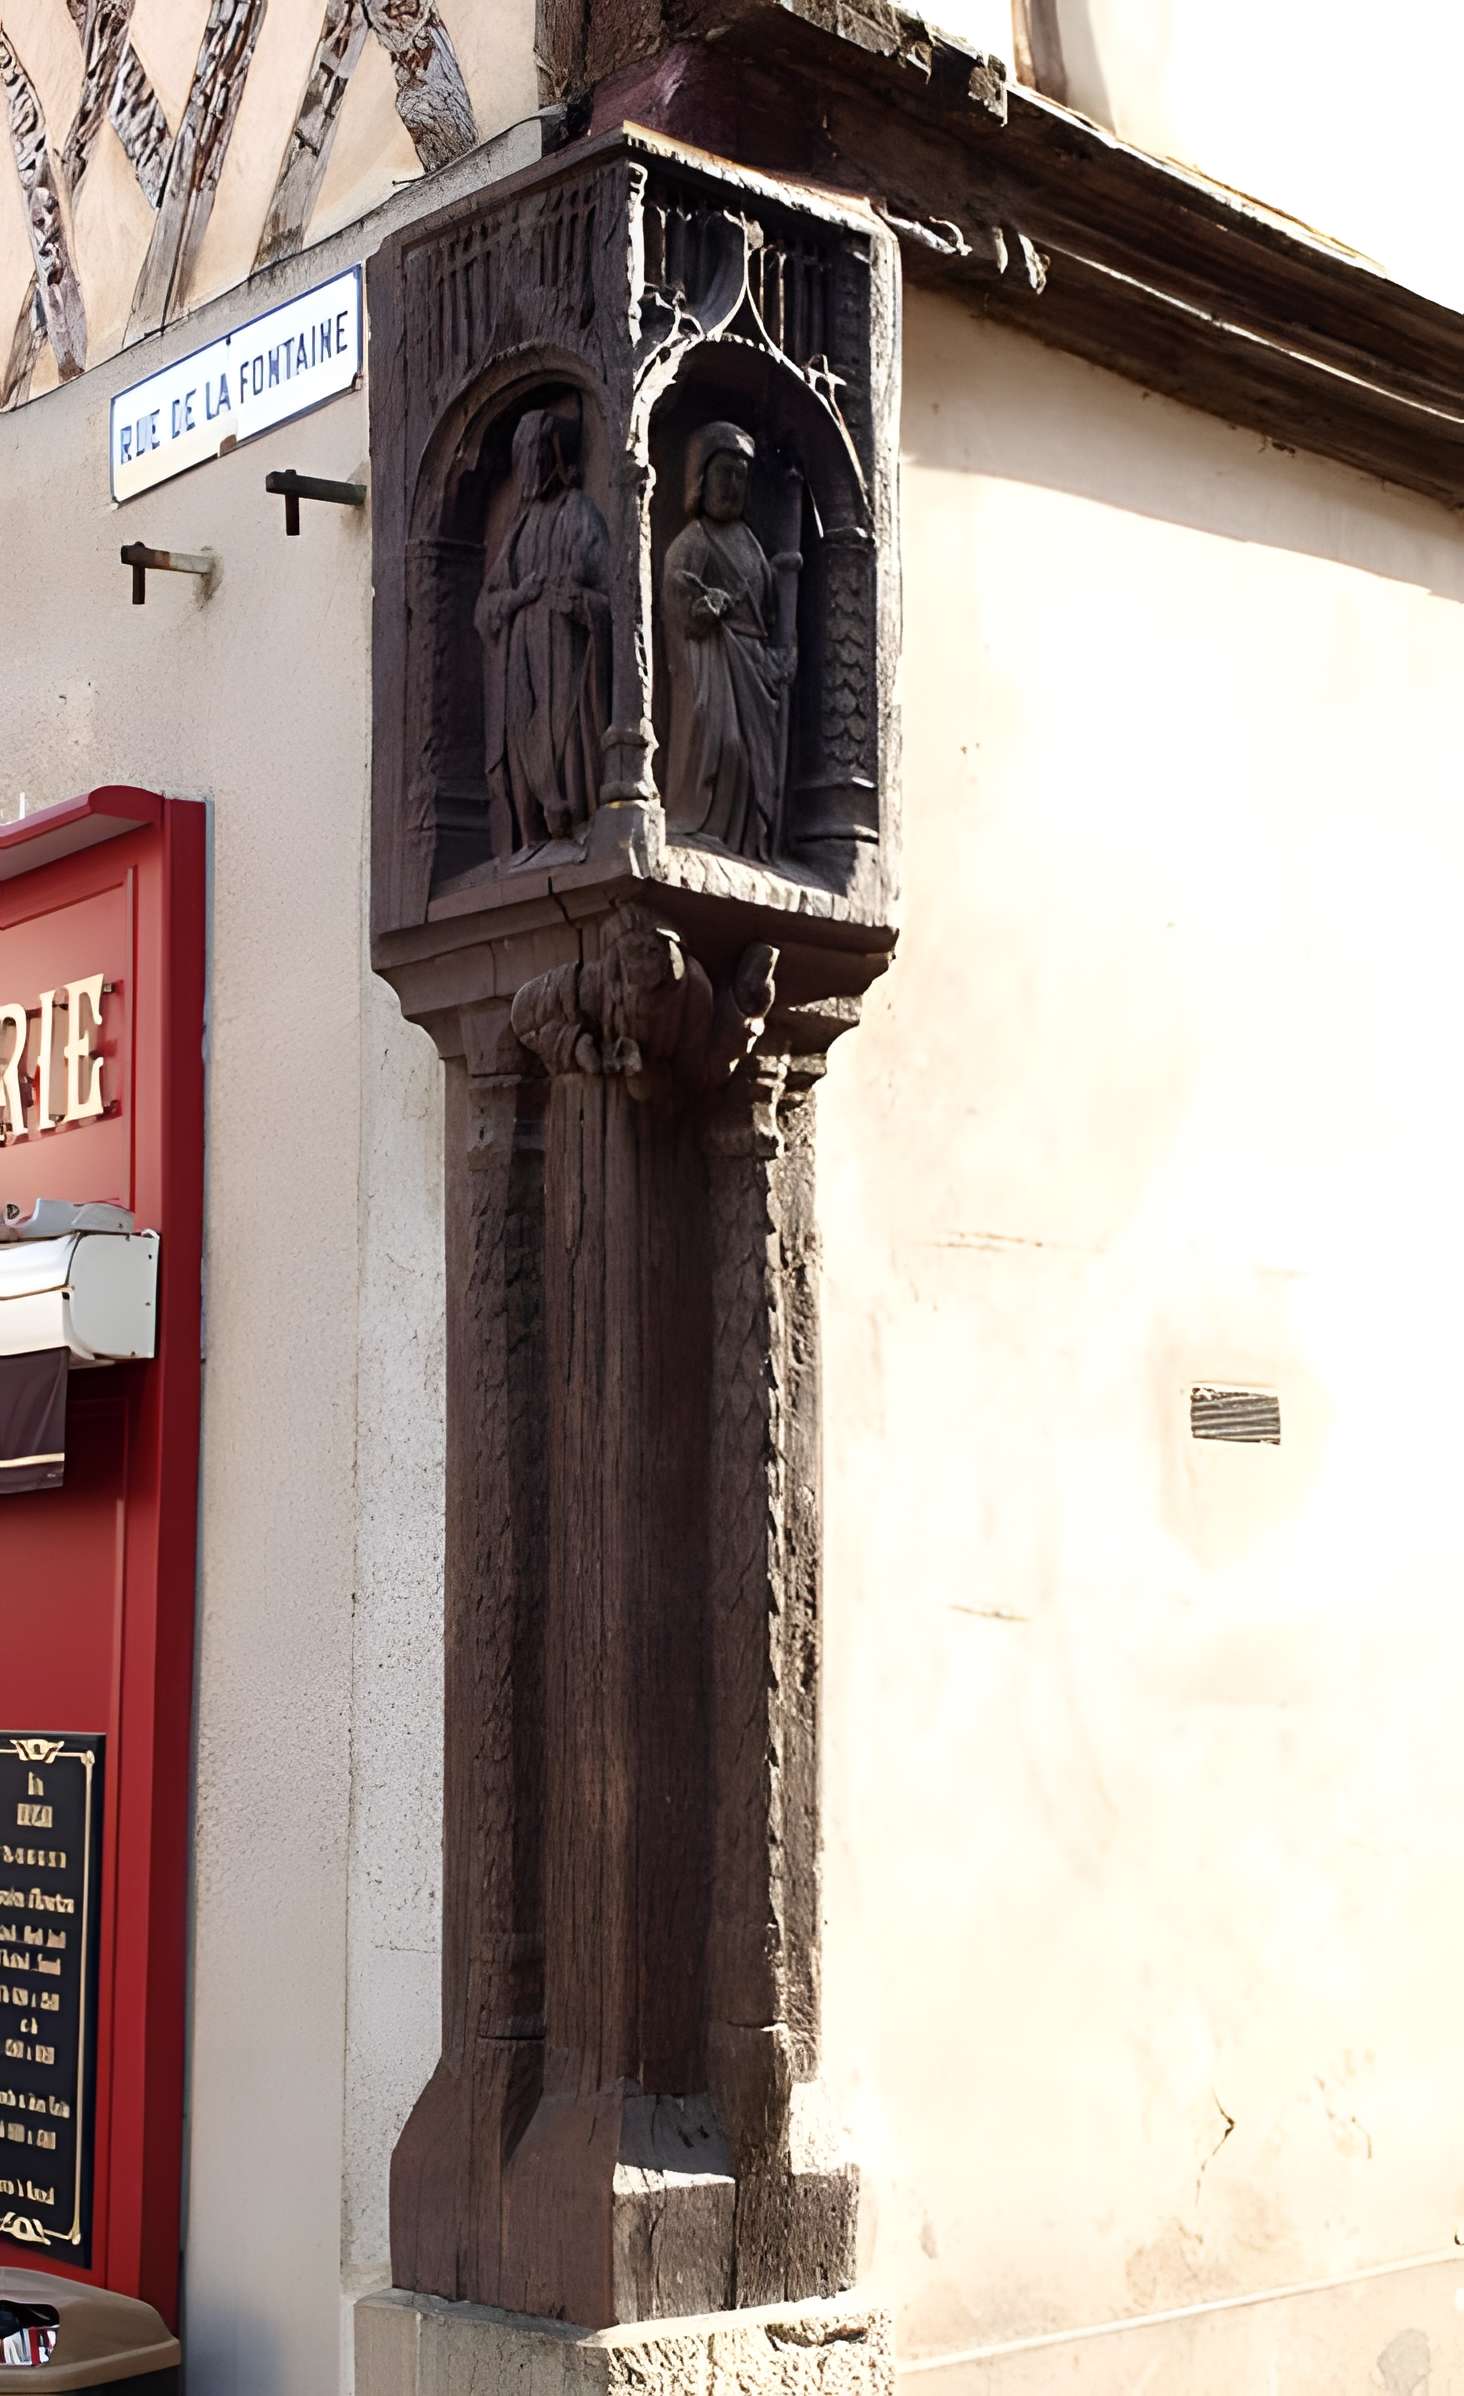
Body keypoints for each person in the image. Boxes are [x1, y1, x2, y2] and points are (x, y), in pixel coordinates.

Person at [477, 407, 611, 852]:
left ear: (553, 453)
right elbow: (486, 607)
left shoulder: (579, 514)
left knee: (567, 735)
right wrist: (517, 599)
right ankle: (531, 834)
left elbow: (611, 595)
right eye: (520, 455)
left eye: (533, 453)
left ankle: (576, 821)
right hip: (523, 659)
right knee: (524, 733)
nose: (527, 466)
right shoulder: (517, 530)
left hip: (566, 655)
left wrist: (577, 603)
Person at [662, 420, 793, 862]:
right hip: (713, 664)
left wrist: (778, 656)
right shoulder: (693, 540)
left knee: (758, 761)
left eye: (741, 477)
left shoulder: (752, 545)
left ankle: (746, 842)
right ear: (701, 479)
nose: (732, 486)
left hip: (753, 667)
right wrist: (704, 605)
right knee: (726, 747)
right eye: (724, 474)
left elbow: (769, 610)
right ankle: (703, 827)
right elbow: (678, 595)